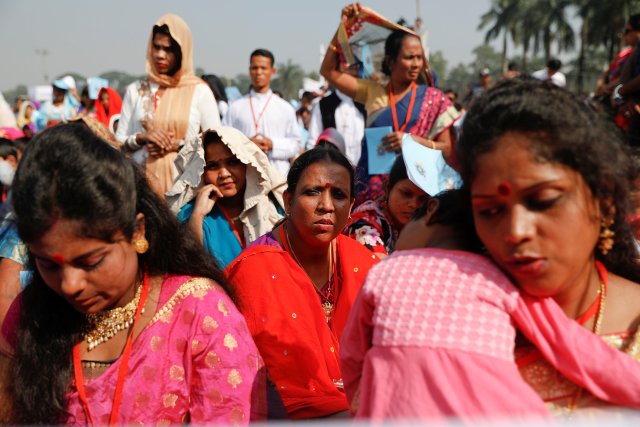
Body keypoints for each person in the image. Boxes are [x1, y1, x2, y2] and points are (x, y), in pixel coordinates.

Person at [0, 123, 262, 425]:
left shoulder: (199, 312)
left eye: (90, 262)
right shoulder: (32, 314)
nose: (70, 285)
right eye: (49, 265)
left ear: (137, 231)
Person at [341, 189, 640, 421]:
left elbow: (353, 354)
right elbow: (569, 344)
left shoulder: (386, 270)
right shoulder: (499, 279)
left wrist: (362, 406)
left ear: (430, 211)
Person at [458, 78, 640, 415]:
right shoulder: (459, 327)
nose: (516, 232)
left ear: (603, 202)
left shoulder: (635, 325)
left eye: (542, 201)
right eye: (490, 211)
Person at [225, 147, 379, 419]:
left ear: (352, 206)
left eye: (339, 195)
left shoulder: (364, 263)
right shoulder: (252, 272)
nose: (327, 206)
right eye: (313, 192)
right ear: (288, 201)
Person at [320, 3, 459, 205]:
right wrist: (343, 27)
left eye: (420, 58)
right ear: (391, 61)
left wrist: (411, 140)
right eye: (409, 57)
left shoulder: (434, 98)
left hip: (416, 194)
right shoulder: (372, 91)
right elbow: (328, 71)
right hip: (371, 191)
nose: (416, 64)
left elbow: (447, 149)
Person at [116, 14, 220, 196]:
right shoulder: (135, 90)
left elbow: (216, 144)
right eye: (156, 47)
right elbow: (116, 144)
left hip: (186, 191)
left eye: (168, 49)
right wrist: (142, 138)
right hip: (139, 190)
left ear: (182, 52)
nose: (160, 55)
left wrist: (178, 145)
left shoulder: (199, 91)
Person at [172, 127, 286, 268]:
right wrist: (197, 216)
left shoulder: (273, 207)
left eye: (232, 162)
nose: (224, 173)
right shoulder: (191, 214)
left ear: (247, 164)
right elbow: (187, 266)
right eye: (213, 166)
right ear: (201, 172)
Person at [224, 49, 302, 177]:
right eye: (255, 68)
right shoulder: (235, 108)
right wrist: (246, 144)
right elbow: (224, 141)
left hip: (277, 176)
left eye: (263, 68)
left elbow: (296, 143)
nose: (258, 72)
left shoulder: (285, 108)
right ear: (249, 70)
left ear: (272, 71)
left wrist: (272, 145)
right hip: (245, 176)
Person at [343, 155, 427, 256]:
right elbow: (378, 268)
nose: (414, 204)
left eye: (423, 199)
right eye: (406, 194)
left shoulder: (426, 225)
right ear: (387, 188)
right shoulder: (364, 226)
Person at [307, 64, 366, 167]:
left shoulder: (367, 104)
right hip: (332, 172)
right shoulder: (323, 106)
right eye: (349, 69)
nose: (353, 73)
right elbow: (312, 143)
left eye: (356, 69)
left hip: (363, 175)